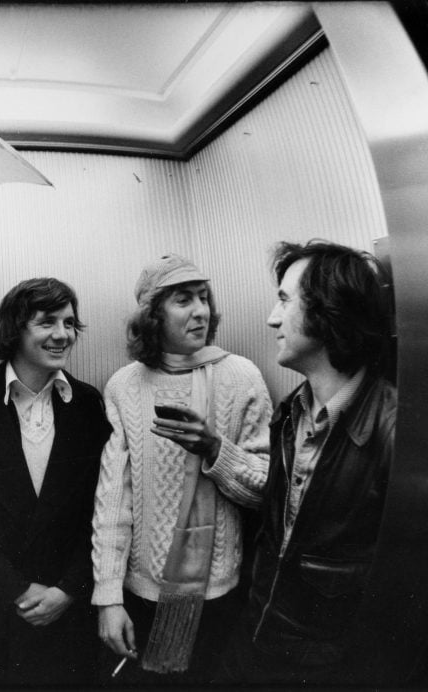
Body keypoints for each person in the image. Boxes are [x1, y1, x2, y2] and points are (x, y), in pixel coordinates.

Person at [92, 253, 272, 682]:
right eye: (183, 300)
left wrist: (214, 449)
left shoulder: (242, 376)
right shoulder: (125, 385)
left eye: (204, 298)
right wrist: (108, 597)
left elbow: (265, 489)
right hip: (143, 595)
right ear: (152, 315)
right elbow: (114, 499)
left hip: (219, 596)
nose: (201, 311)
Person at [223, 240, 396, 683]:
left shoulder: (394, 429)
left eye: (284, 299)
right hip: (259, 642)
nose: (271, 318)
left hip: (328, 669)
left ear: (329, 309)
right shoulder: (289, 412)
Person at [0, 278, 112, 685]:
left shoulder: (88, 407)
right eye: (48, 322)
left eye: (70, 324)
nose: (62, 334)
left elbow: (102, 509)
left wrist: (68, 589)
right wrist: (16, 589)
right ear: (15, 329)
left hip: (65, 612)